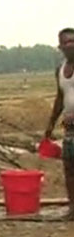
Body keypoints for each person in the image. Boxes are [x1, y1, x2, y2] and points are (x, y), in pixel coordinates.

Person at [44, 27, 74, 218]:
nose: (70, 45)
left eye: (73, 41)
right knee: (69, 166)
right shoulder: (60, 70)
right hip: (70, 125)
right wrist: (50, 124)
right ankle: (73, 208)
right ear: (60, 47)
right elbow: (59, 98)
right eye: (66, 42)